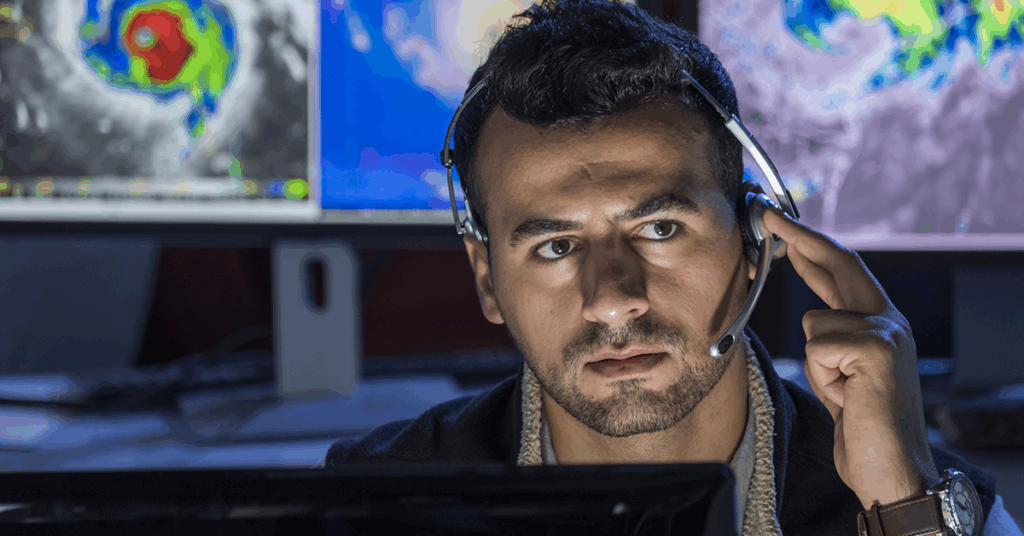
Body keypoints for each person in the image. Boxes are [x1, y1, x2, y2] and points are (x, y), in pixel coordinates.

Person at [324, 1, 1023, 534]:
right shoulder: (380, 501)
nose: (612, 301)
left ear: (758, 241)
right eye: (555, 246)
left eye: (659, 228)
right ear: (486, 278)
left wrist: (901, 507)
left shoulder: (929, 502)